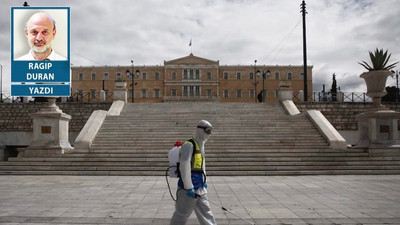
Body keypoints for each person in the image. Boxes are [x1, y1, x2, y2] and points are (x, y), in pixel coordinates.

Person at [170, 120, 217, 225]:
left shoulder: (201, 145)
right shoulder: (189, 145)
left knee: (206, 213)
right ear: (200, 130)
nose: (209, 134)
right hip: (188, 189)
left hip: (200, 187)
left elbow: (201, 166)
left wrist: (204, 181)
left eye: (210, 131)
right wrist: (188, 187)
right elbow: (184, 166)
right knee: (181, 214)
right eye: (207, 131)